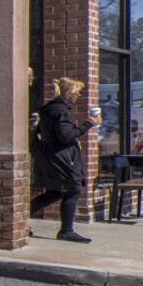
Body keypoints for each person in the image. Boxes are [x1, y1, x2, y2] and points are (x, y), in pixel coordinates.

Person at [30, 77, 96, 244]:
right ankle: (66, 231)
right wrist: (88, 124)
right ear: (70, 94)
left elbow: (40, 133)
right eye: (77, 92)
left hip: (48, 156)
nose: (79, 95)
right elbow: (65, 136)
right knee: (72, 191)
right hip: (62, 158)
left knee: (55, 192)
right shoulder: (62, 111)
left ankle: (20, 217)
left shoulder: (49, 109)